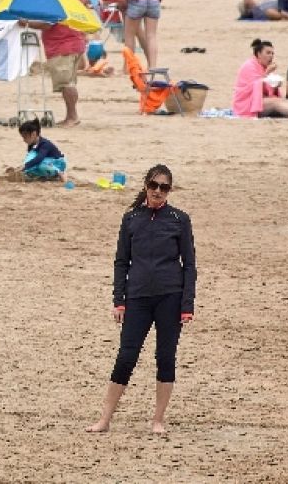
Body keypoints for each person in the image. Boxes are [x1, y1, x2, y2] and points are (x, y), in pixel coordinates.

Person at [86, 164, 195, 435]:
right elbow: (121, 261)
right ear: (146, 185)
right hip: (137, 298)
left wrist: (187, 305)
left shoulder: (180, 220)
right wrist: (118, 299)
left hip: (170, 297)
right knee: (126, 356)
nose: (158, 191)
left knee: (165, 357)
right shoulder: (131, 218)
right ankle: (105, 419)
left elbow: (189, 265)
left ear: (170, 190)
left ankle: (158, 420)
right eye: (154, 186)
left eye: (164, 187)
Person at [39, 0, 87, 127]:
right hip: (75, 42)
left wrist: (25, 23)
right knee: (70, 82)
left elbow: (48, 23)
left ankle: (73, 116)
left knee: (66, 84)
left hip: (62, 45)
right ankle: (71, 115)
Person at [233, 39, 288, 119]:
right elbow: (255, 87)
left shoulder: (264, 67)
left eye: (272, 53)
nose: (271, 56)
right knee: (275, 102)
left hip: (262, 100)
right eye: (268, 53)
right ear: (259, 54)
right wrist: (267, 73)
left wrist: (276, 85)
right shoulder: (249, 66)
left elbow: (267, 88)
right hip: (247, 104)